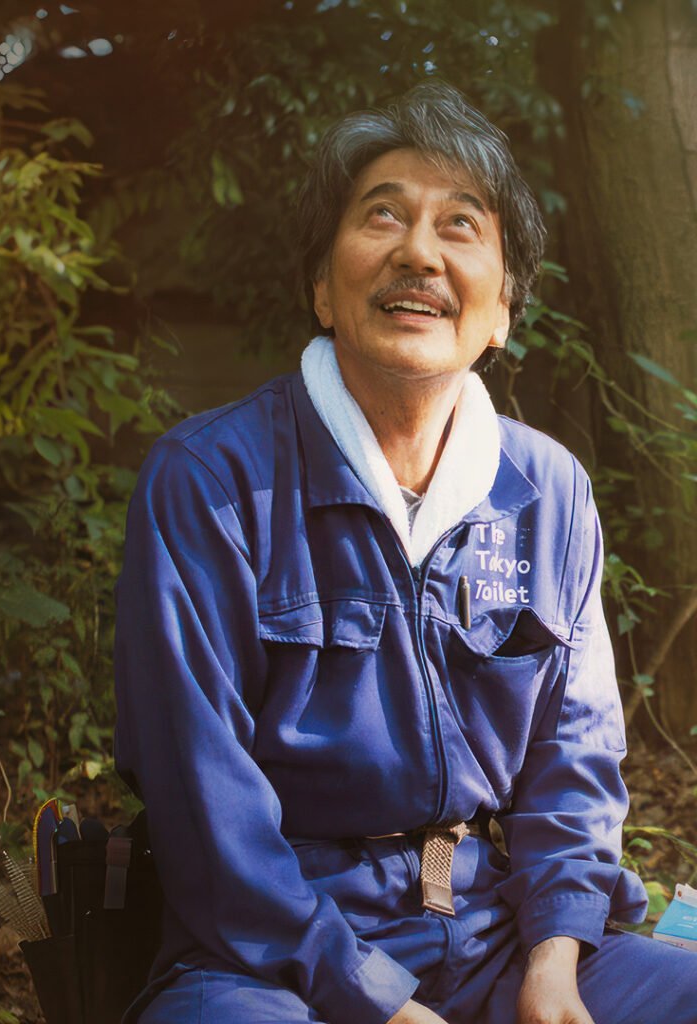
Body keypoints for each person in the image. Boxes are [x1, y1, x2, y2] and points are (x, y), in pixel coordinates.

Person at [113, 82, 697, 1024]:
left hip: (497, 933)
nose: (419, 252)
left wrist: (554, 960)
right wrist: (375, 1000)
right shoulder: (211, 480)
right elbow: (200, 806)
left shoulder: (550, 491)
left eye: (460, 224)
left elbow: (574, 763)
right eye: (382, 214)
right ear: (321, 286)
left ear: (503, 311)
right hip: (273, 957)